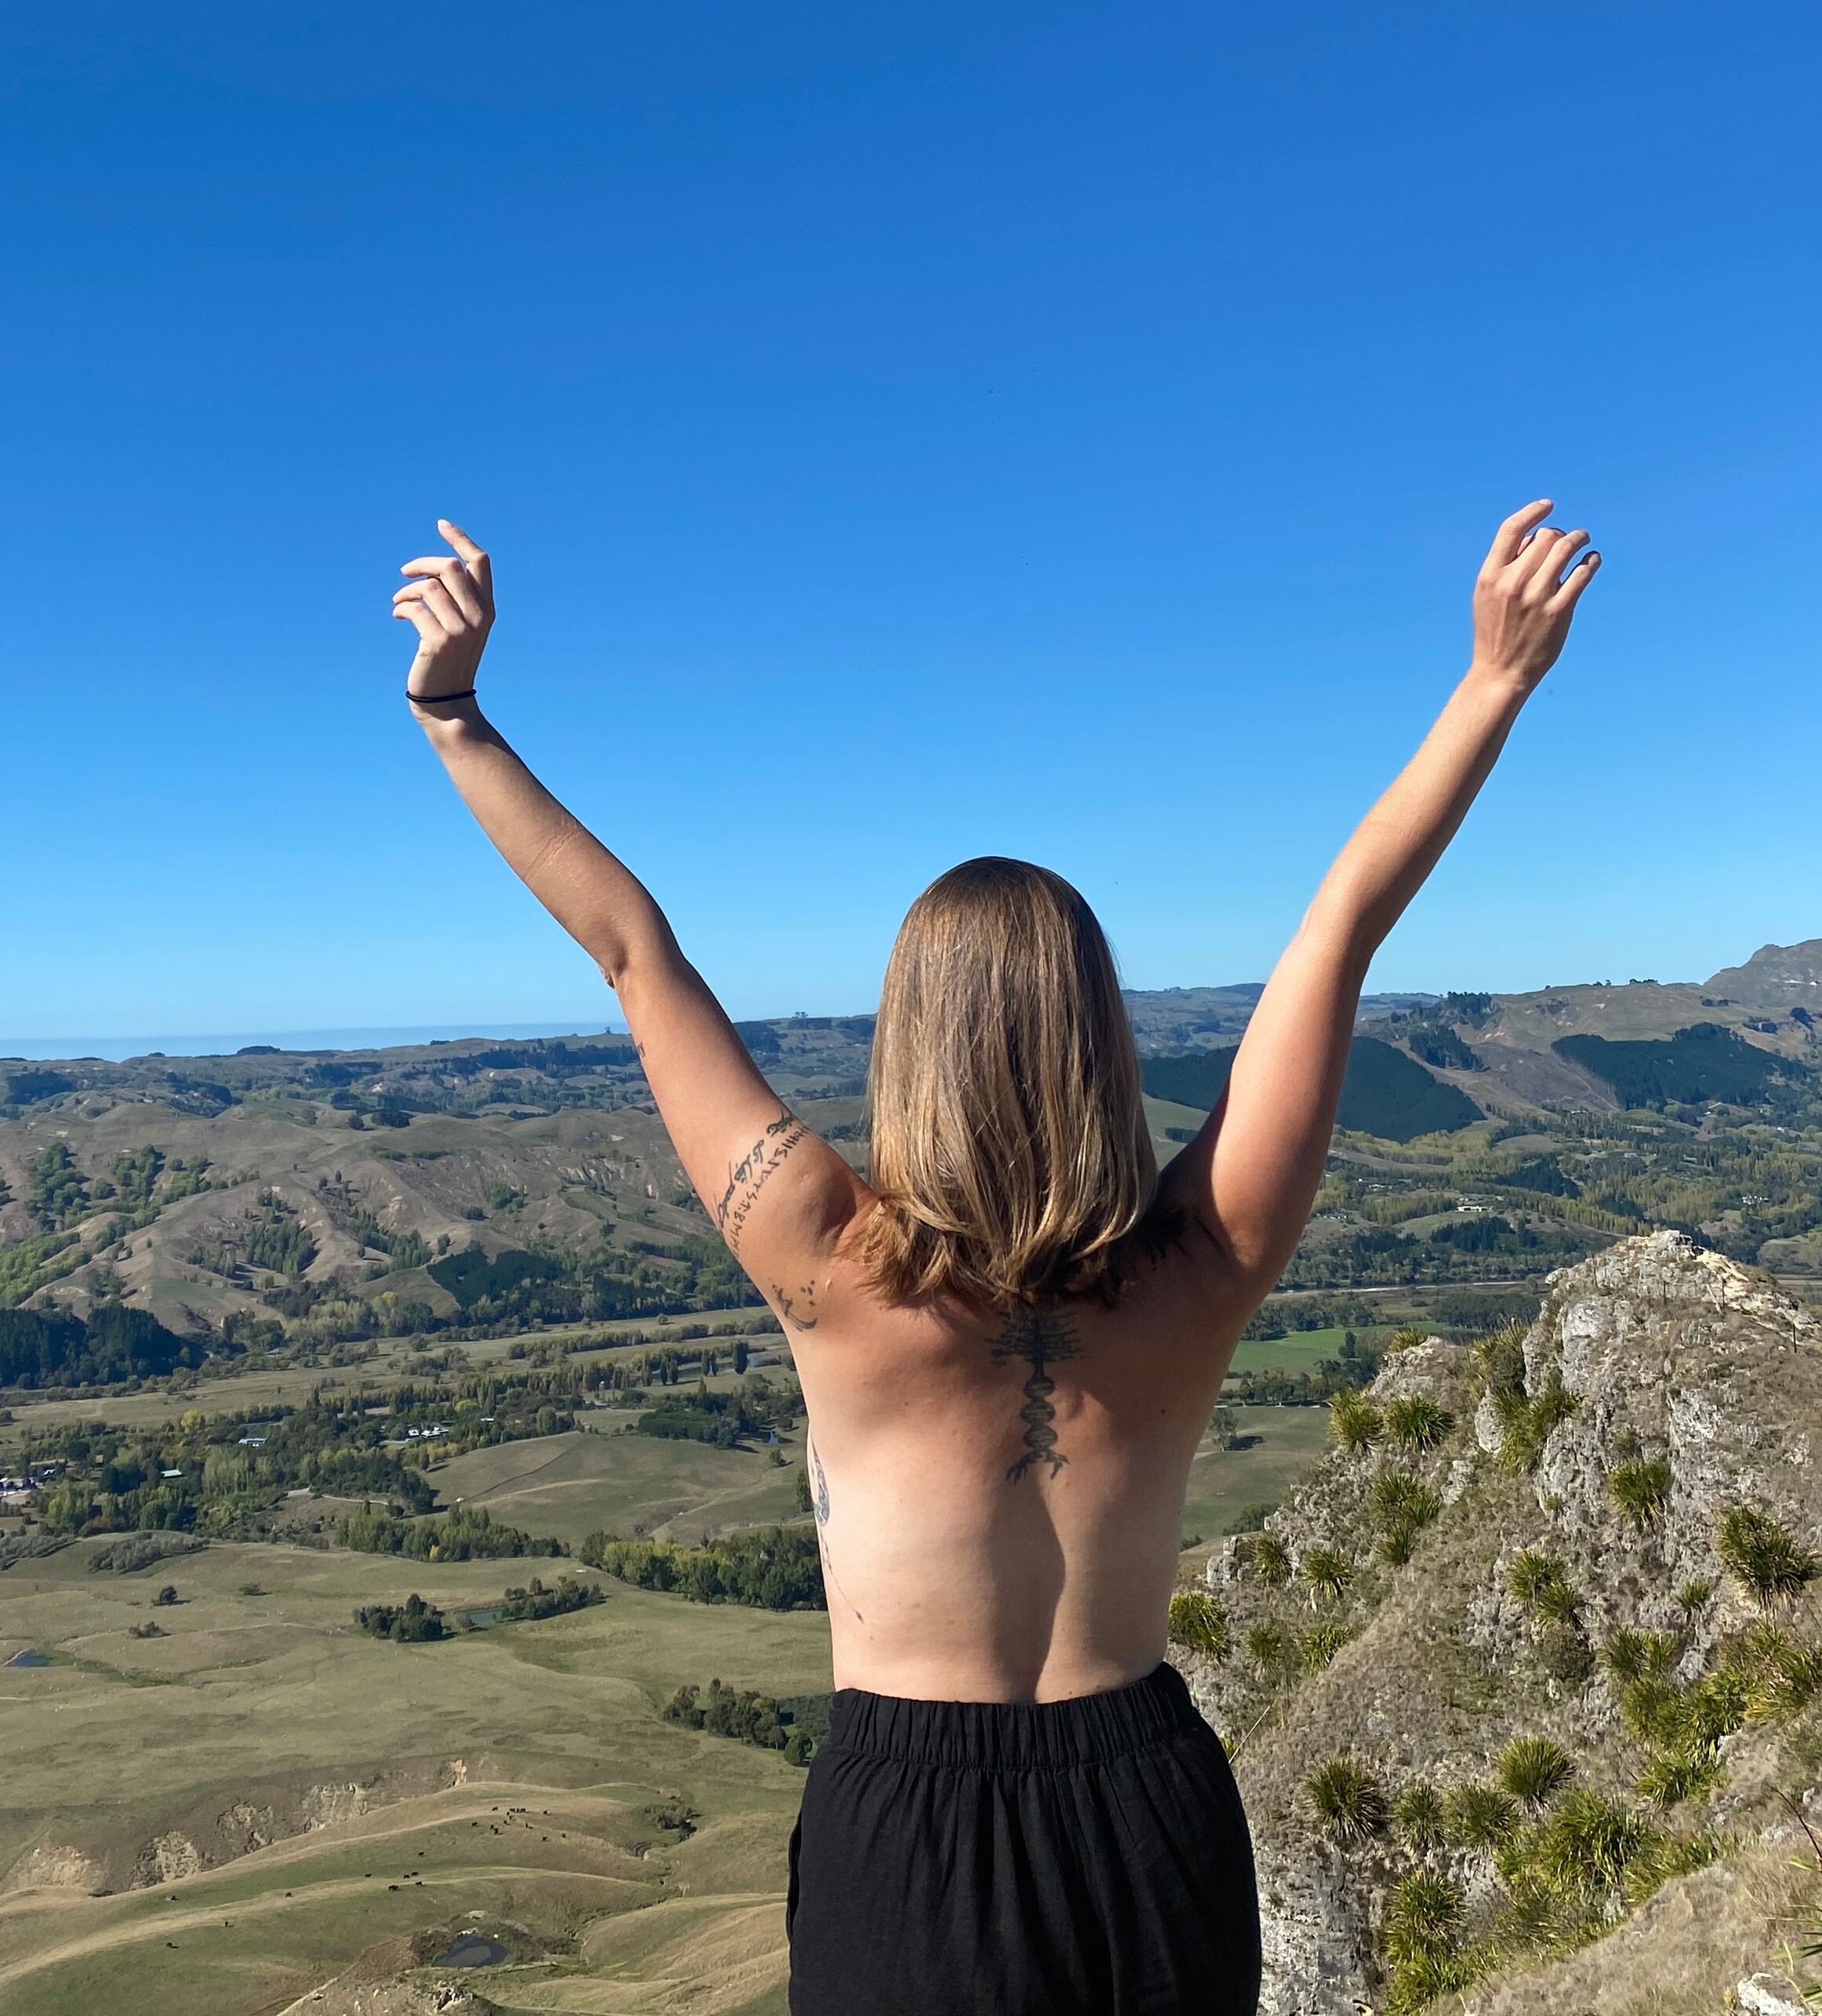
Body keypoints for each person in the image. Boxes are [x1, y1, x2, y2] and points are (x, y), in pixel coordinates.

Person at [390, 503, 1600, 2016]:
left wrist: (456, 716)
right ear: (1104, 1043)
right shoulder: (1200, 1265)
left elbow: (635, 949)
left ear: (908, 1049)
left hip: (907, 1845)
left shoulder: (829, 1266)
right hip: (1151, 1810)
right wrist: (1493, 682)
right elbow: (1338, 930)